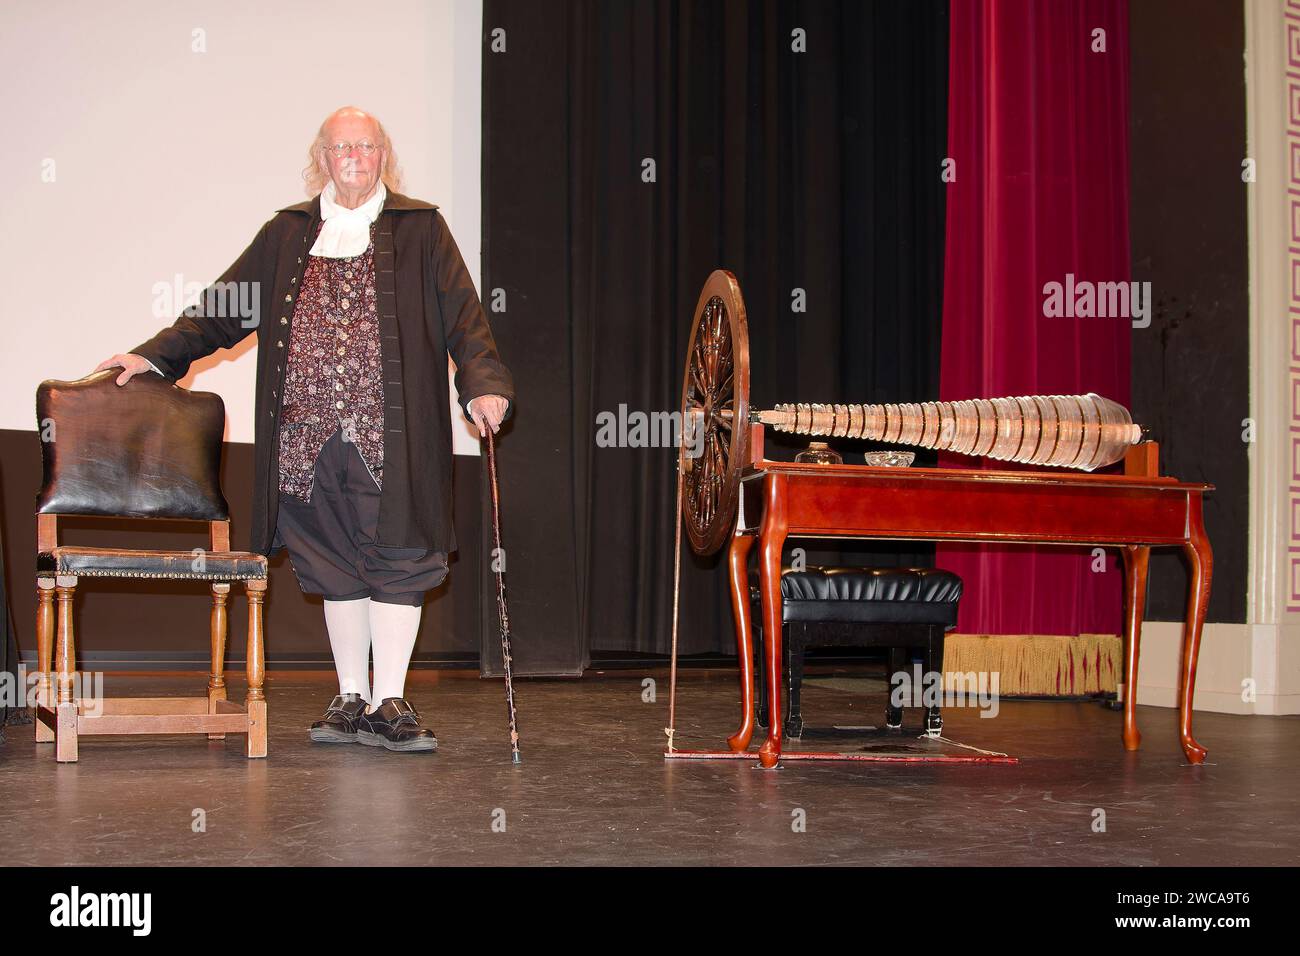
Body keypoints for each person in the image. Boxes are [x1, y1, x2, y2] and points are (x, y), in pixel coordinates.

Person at [94, 106, 514, 754]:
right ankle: (351, 696)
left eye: (366, 147)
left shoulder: (421, 229)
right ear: (322, 157)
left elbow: (465, 319)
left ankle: (390, 698)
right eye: (342, 147)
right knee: (333, 558)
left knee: (397, 554)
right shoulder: (287, 233)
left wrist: (483, 383)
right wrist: (155, 355)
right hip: (304, 436)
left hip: (390, 437)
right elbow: (223, 309)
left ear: (383, 157)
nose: (354, 157)